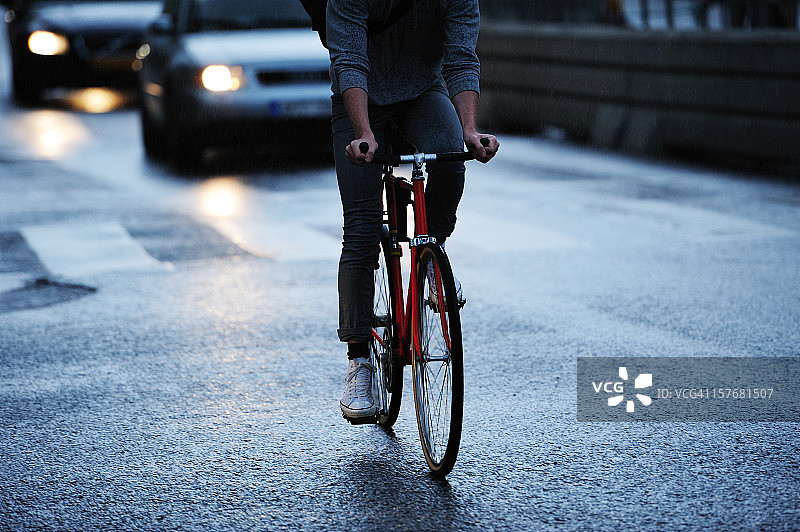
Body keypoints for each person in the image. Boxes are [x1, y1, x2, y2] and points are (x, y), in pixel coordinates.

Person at [326, 0, 499, 420]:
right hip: (360, 98)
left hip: (423, 91)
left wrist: (470, 129)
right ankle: (359, 363)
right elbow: (349, 61)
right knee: (362, 228)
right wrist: (364, 133)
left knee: (450, 156)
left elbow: (461, 58)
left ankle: (431, 256)